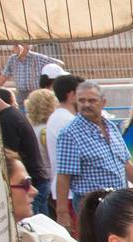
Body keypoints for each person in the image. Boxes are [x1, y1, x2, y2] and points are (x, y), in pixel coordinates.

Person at [54, 81, 133, 229]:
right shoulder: (70, 133)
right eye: (82, 100)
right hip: (91, 207)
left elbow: (127, 163)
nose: (86, 104)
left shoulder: (110, 127)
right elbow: (63, 177)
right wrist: (62, 214)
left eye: (92, 100)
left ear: (103, 102)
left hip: (118, 203)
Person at [0, 89, 49, 212]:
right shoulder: (13, 114)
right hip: (36, 181)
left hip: (30, 184)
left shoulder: (6, 120)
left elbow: (10, 158)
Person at [45, 73, 81, 215]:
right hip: (70, 193)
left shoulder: (60, 117)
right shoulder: (67, 121)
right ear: (72, 95)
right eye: (81, 96)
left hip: (69, 192)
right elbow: (67, 167)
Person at [0, 45, 65, 102]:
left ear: (26, 46)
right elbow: (4, 75)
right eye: (14, 45)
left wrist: (46, 73)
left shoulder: (38, 57)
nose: (14, 47)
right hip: (21, 95)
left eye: (17, 45)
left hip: (36, 94)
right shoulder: (12, 59)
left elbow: (60, 63)